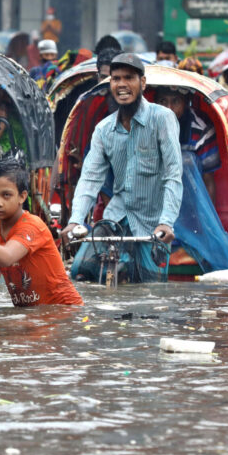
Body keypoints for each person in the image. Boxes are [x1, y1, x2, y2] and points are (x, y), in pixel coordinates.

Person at [60, 53, 182, 284]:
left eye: (129, 78)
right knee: (80, 271)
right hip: (116, 217)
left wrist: (166, 222)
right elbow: (89, 179)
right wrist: (75, 220)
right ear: (110, 84)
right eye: (116, 79)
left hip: (151, 223)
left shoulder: (162, 119)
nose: (122, 84)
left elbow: (173, 176)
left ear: (142, 83)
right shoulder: (104, 129)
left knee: (150, 287)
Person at [0, 159, 82, 307]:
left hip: (65, 310)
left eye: (6, 195)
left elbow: (7, 257)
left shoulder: (32, 225)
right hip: (33, 314)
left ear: (22, 197)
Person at [154, 86, 219, 200]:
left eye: (176, 101)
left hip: (191, 199)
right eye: (162, 101)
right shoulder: (145, 125)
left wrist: (204, 217)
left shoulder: (202, 129)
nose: (169, 109)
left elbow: (208, 180)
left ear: (185, 102)